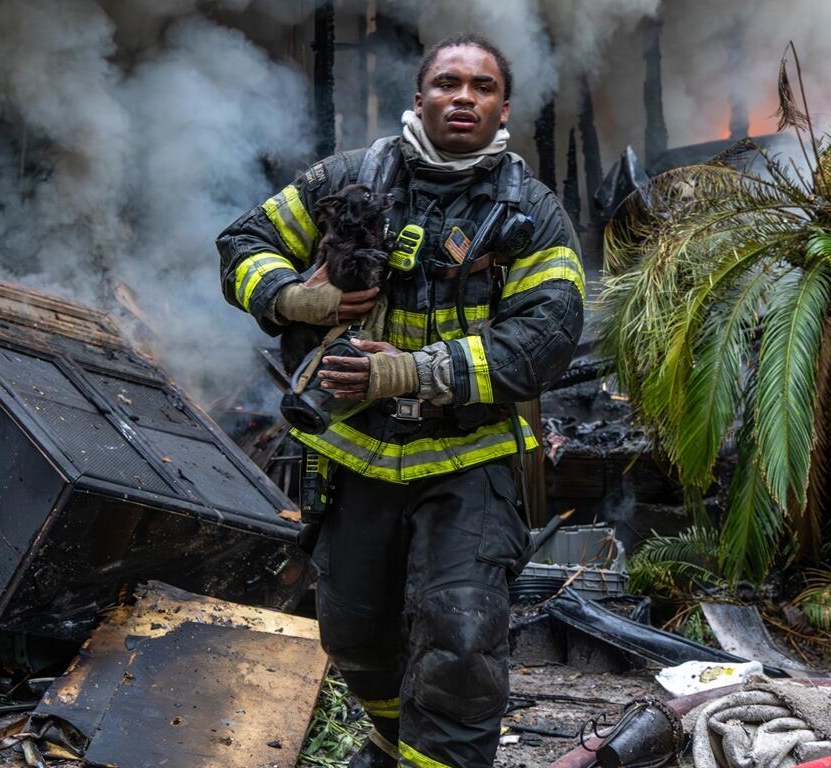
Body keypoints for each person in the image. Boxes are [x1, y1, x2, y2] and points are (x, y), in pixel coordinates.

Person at [217, 33, 584, 768]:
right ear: (420, 98)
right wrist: (297, 299)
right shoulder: (351, 177)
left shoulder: (531, 213)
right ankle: (394, 743)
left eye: (481, 88)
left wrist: (409, 372)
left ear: (502, 108)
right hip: (353, 457)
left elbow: (546, 337)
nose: (463, 97)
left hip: (467, 459)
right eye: (448, 83)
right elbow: (244, 242)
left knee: (461, 640)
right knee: (353, 634)